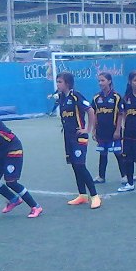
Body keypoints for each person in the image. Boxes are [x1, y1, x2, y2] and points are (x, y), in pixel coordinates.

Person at [55, 72, 101, 209]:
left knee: (80, 165)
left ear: (67, 83)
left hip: (78, 136)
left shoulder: (76, 96)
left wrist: (87, 129)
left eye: (60, 82)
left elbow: (91, 111)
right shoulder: (62, 97)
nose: (57, 84)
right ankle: (82, 195)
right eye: (57, 82)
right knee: (75, 165)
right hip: (68, 137)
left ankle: (95, 196)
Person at [91, 72, 126, 184]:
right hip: (101, 131)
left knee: (118, 153)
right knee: (103, 153)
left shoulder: (116, 97)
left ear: (109, 81)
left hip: (113, 131)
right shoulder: (96, 97)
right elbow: (94, 114)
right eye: (99, 81)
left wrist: (117, 130)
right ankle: (101, 176)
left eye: (103, 80)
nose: (100, 83)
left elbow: (121, 114)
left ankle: (124, 175)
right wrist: (94, 130)